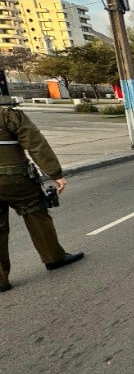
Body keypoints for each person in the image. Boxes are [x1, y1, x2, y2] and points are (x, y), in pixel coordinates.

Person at [0, 103, 84, 292]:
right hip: (14, 179)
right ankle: (53, 257)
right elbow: (36, 144)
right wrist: (55, 174)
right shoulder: (9, 116)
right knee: (36, 213)